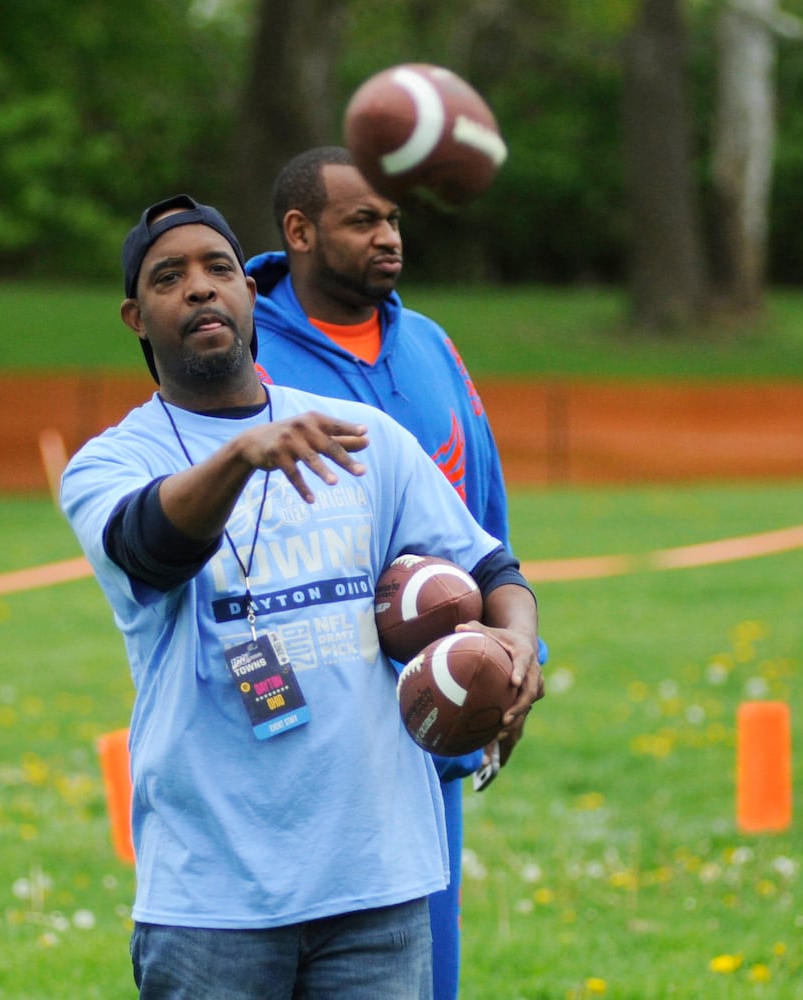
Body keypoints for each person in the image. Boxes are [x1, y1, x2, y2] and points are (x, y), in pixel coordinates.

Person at [59, 194, 541, 998]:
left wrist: (516, 645)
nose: (201, 288)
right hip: (212, 899)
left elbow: (493, 571)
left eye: (219, 268)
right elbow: (150, 546)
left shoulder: (362, 435)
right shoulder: (111, 464)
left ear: (249, 294)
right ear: (136, 317)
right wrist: (241, 454)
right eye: (169, 277)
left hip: (378, 885)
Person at [245, 146, 541, 1000]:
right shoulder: (245, 353)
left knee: (416, 981)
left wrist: (518, 658)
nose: (389, 238)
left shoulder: (433, 348)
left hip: (423, 734)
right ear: (299, 232)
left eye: (396, 220)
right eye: (363, 220)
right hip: (294, 739)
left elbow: (487, 529)